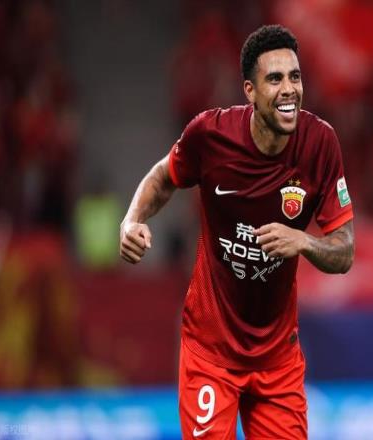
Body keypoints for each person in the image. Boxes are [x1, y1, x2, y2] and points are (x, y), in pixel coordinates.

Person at [120, 24, 354, 440]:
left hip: (277, 361)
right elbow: (164, 177)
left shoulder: (321, 144)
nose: (289, 89)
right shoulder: (210, 136)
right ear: (250, 91)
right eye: (275, 79)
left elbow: (345, 250)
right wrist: (133, 218)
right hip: (211, 354)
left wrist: (304, 241)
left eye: (295, 77)